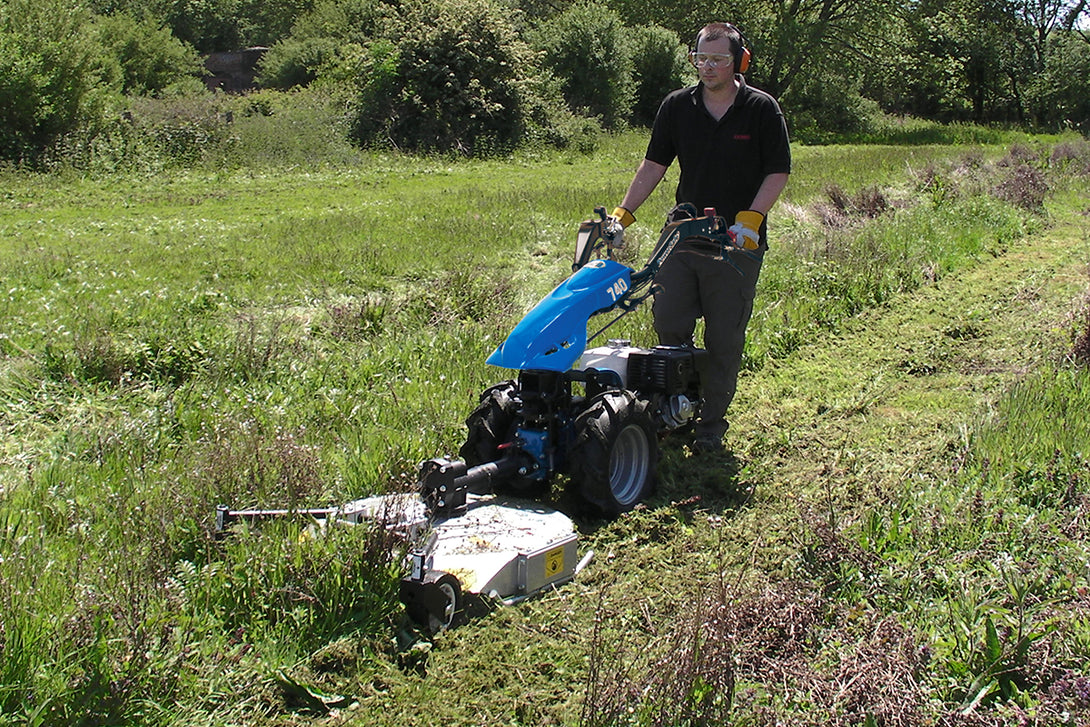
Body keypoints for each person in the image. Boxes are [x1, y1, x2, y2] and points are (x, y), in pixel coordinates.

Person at [611, 21, 791, 452]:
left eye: (718, 59)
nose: (708, 67)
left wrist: (751, 218)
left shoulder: (761, 109)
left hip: (735, 241)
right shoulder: (677, 106)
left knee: (724, 337)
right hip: (682, 234)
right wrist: (623, 214)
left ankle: (710, 423)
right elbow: (654, 165)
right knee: (669, 323)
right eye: (701, 58)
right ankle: (675, 411)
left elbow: (778, 170)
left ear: (739, 62)